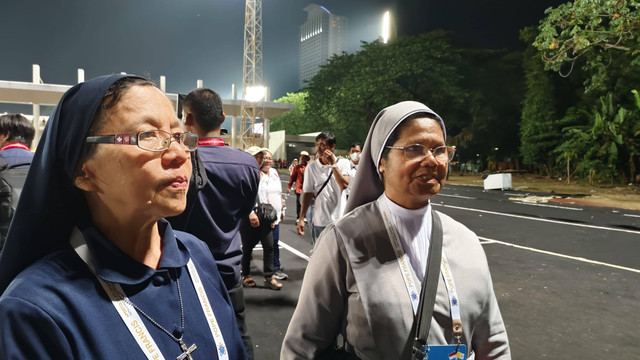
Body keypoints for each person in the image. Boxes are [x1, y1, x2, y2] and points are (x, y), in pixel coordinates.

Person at [0, 75, 246, 359]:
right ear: (83, 171)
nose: (179, 154)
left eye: (179, 136)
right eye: (149, 135)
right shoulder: (36, 310)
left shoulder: (196, 254)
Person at [281, 101, 510, 359]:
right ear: (381, 161)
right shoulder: (344, 240)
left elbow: (494, 342)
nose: (432, 160)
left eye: (440, 150)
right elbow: (302, 346)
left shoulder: (466, 241)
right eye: (414, 149)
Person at [169, 88, 260, 359]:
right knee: (239, 332)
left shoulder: (178, 161)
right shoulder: (247, 164)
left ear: (187, 119)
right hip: (229, 268)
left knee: (189, 342)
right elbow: (245, 211)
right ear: (222, 117)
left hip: (183, 270)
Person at [240, 148, 283, 290]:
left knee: (269, 246)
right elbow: (242, 195)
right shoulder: (245, 173)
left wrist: (272, 216)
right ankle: (245, 275)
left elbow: (267, 197)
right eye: (258, 157)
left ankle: (269, 277)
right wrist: (250, 213)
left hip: (264, 216)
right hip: (249, 216)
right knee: (247, 248)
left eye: (261, 157)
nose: (261, 160)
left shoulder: (264, 174)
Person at [296, 132, 350, 245]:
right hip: (320, 220)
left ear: (332, 147)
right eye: (317, 144)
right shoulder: (311, 167)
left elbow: (344, 185)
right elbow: (308, 193)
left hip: (339, 219)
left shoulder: (344, 163)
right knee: (320, 256)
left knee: (339, 256)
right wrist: (301, 218)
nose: (319, 148)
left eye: (323, 144)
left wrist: (333, 164)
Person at [259, 150, 288, 281]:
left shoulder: (274, 173)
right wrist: (271, 215)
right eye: (265, 158)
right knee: (269, 244)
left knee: (274, 243)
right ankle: (273, 269)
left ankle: (275, 267)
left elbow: (278, 193)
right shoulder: (258, 175)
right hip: (266, 216)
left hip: (275, 215)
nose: (268, 160)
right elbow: (263, 197)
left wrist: (281, 210)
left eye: (270, 158)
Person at [339, 141, 362, 216]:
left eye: (357, 151)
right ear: (349, 153)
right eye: (352, 151)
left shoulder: (364, 167)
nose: (355, 154)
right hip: (346, 198)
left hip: (360, 198)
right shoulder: (344, 166)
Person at [287, 150, 310, 219]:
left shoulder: (309, 167)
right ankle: (298, 217)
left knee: (306, 203)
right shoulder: (297, 167)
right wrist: (289, 186)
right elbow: (292, 177)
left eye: (304, 157)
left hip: (307, 188)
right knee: (299, 203)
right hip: (299, 188)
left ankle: (305, 216)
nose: (302, 159)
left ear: (307, 158)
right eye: (301, 157)